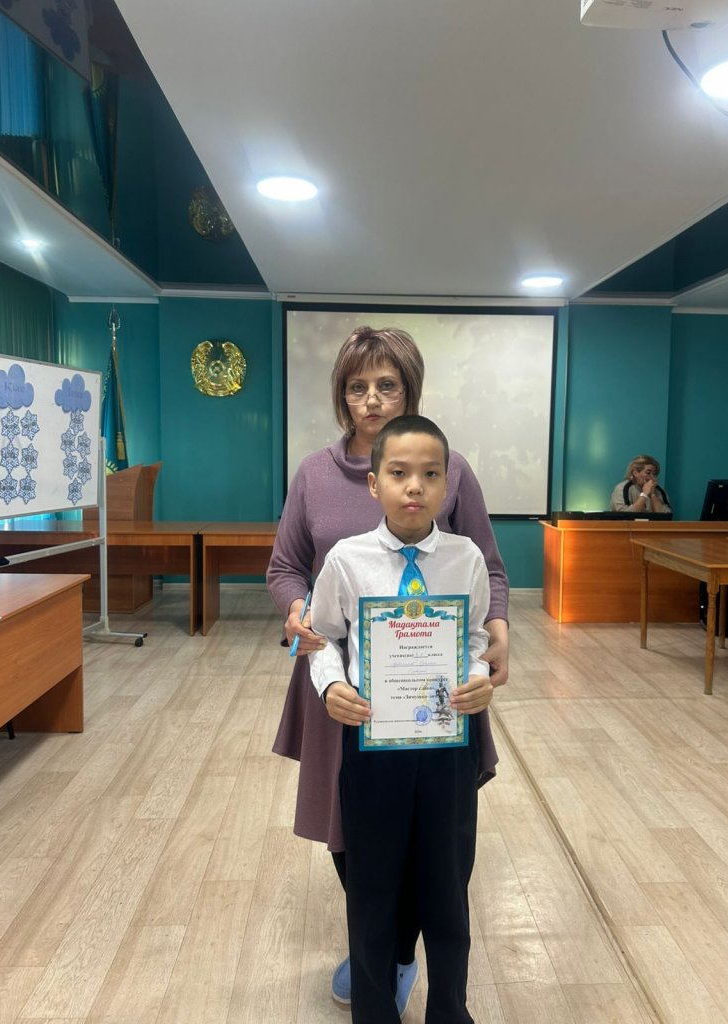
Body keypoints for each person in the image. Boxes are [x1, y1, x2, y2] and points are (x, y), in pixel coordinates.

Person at [266, 325, 509, 1008]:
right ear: (342, 396)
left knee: (436, 841)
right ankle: (381, 941)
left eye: (387, 385)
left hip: (433, 694)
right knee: (351, 830)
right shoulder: (314, 474)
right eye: (357, 386)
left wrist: (497, 635)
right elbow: (285, 568)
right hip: (340, 684)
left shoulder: (450, 468)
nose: (371, 399)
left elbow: (485, 568)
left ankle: (400, 950)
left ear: (409, 390)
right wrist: (297, 613)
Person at [308, 414, 493, 1024]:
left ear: (447, 485)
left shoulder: (466, 558)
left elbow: (473, 637)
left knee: (447, 887)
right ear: (374, 483)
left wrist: (479, 675)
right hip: (372, 747)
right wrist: (332, 684)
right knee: (372, 891)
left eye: (431, 474)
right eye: (399, 473)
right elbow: (322, 636)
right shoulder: (347, 559)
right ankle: (374, 1012)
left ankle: (450, 1010)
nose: (415, 486)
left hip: (447, 747)